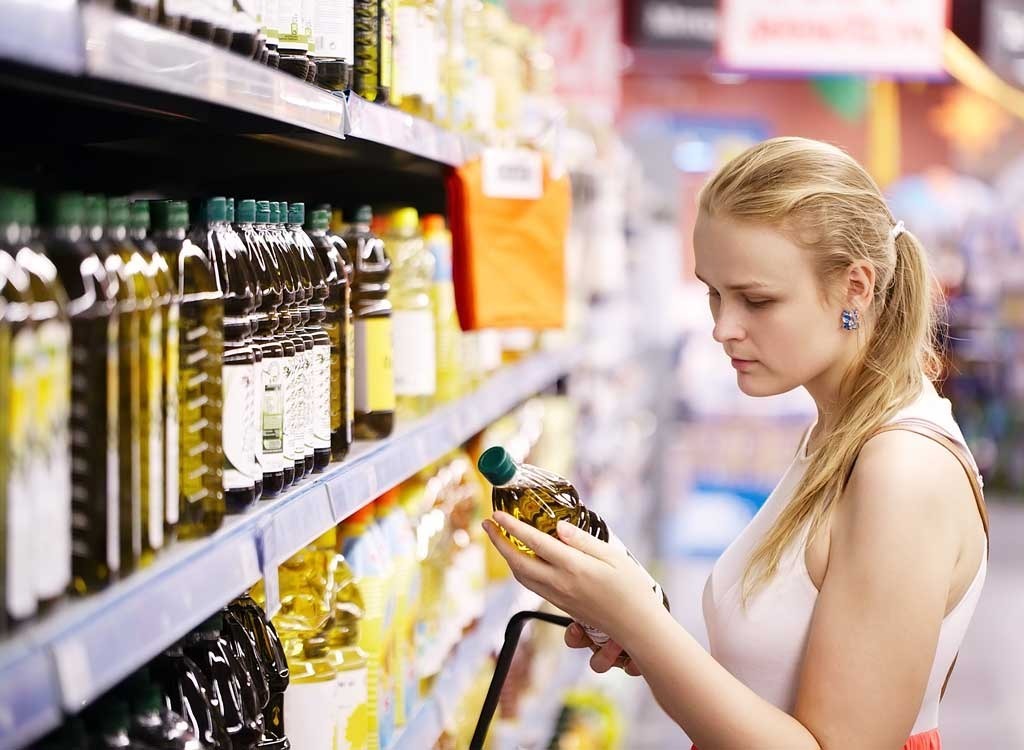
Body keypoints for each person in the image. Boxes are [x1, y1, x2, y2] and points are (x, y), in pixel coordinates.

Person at [482, 137, 989, 750]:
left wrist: (640, 623)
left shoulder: (902, 470)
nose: (723, 328)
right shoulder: (838, 431)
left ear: (856, 287)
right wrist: (634, 620)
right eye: (713, 294)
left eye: (757, 299)